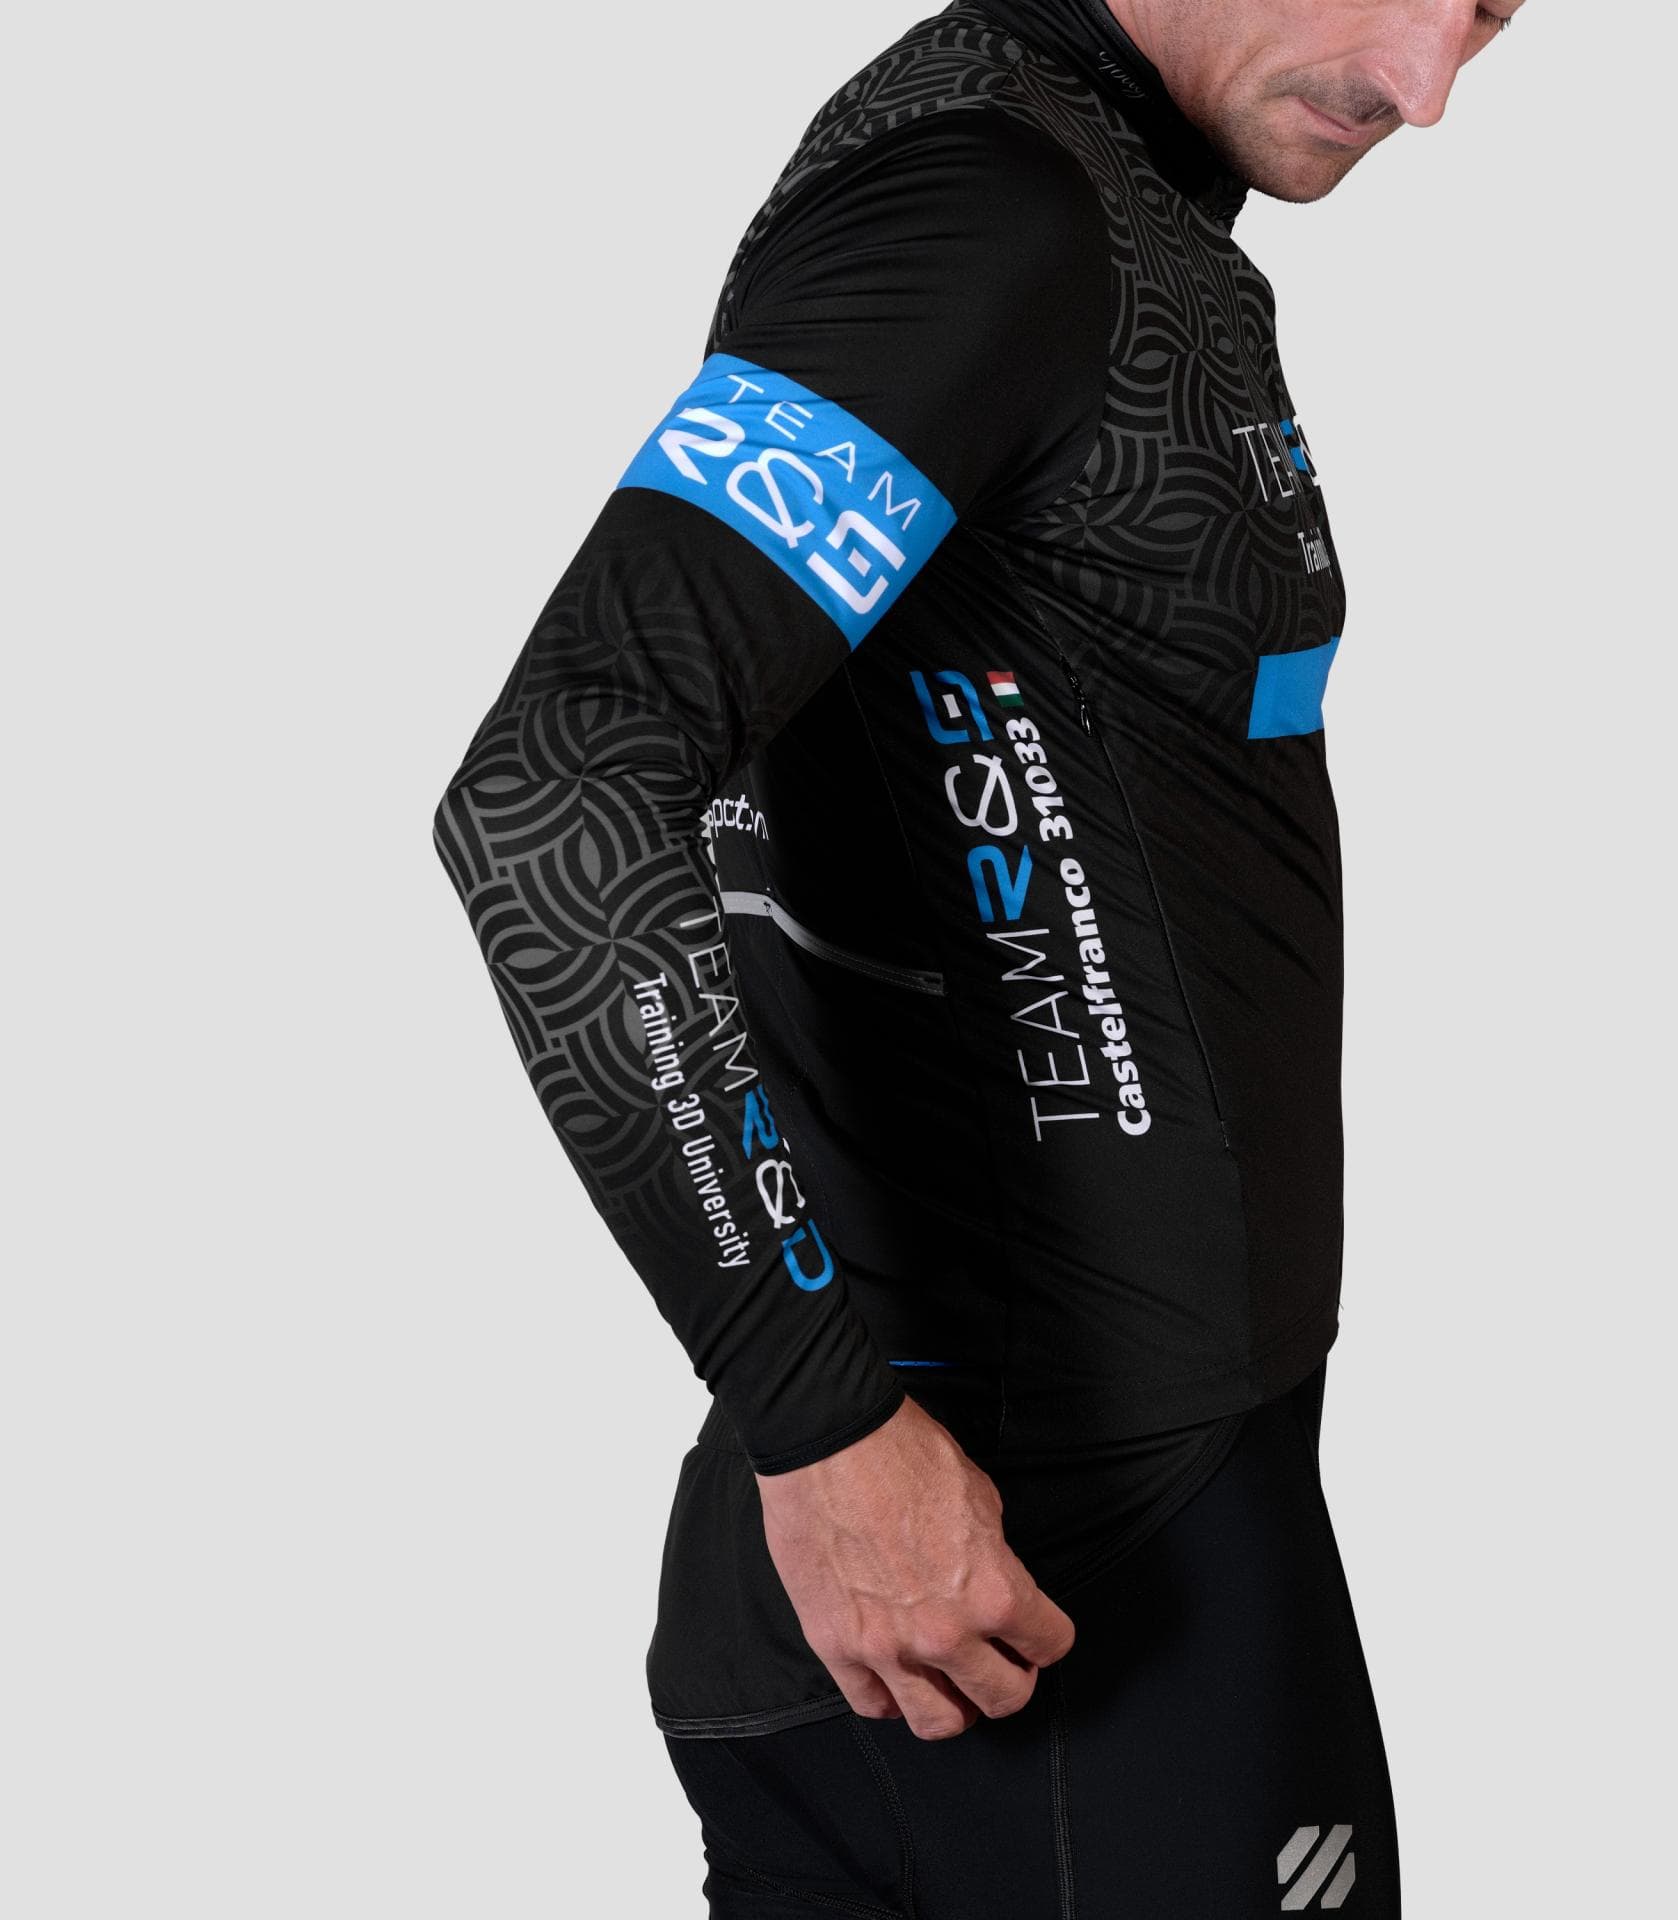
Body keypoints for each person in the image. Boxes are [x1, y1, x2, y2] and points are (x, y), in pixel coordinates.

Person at [432, 0, 1523, 1910]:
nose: (1425, 88)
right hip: (1028, 1587)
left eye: (1496, 11)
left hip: (1074, 1543)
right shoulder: (995, 210)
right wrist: (827, 1425)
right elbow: (558, 784)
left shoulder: (1088, 196)